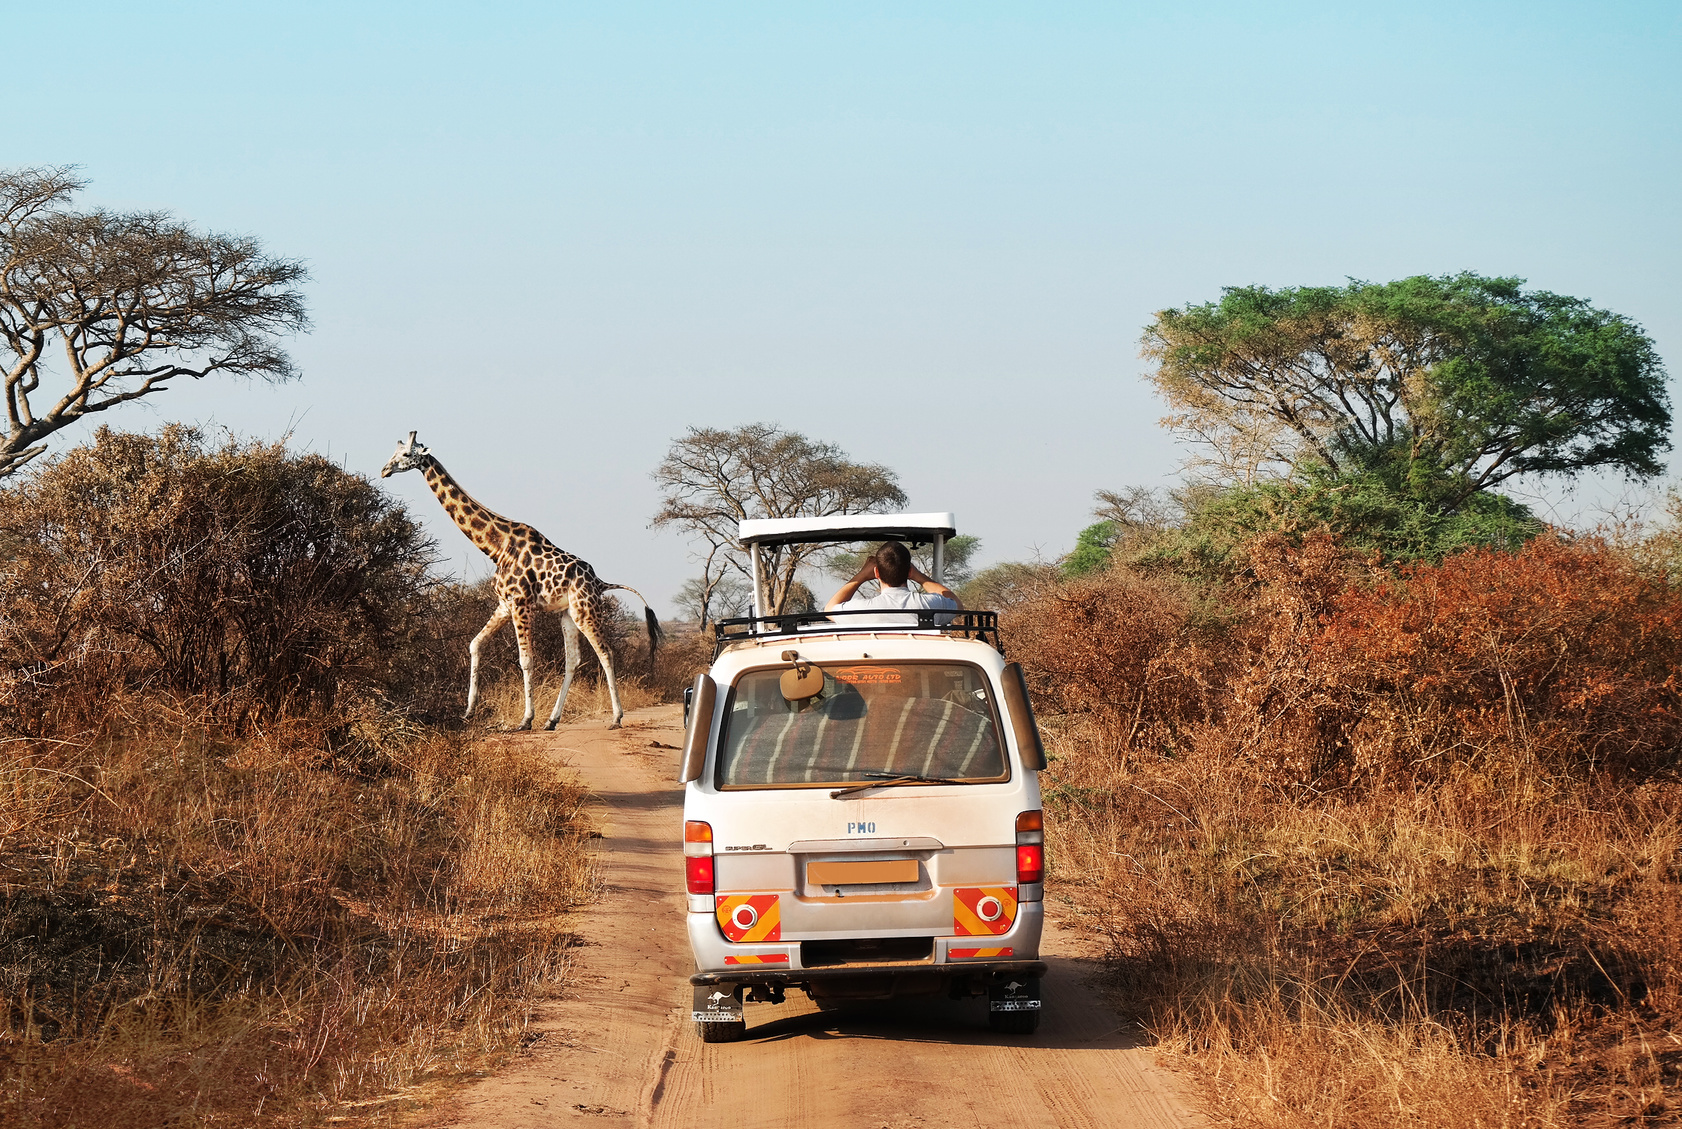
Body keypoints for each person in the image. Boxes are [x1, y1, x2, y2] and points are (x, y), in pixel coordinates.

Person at [825, 540, 961, 625]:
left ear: (876, 573)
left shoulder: (862, 609)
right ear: (909, 572)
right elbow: (958, 605)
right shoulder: (929, 604)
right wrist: (919, 576)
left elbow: (829, 610)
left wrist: (861, 576)